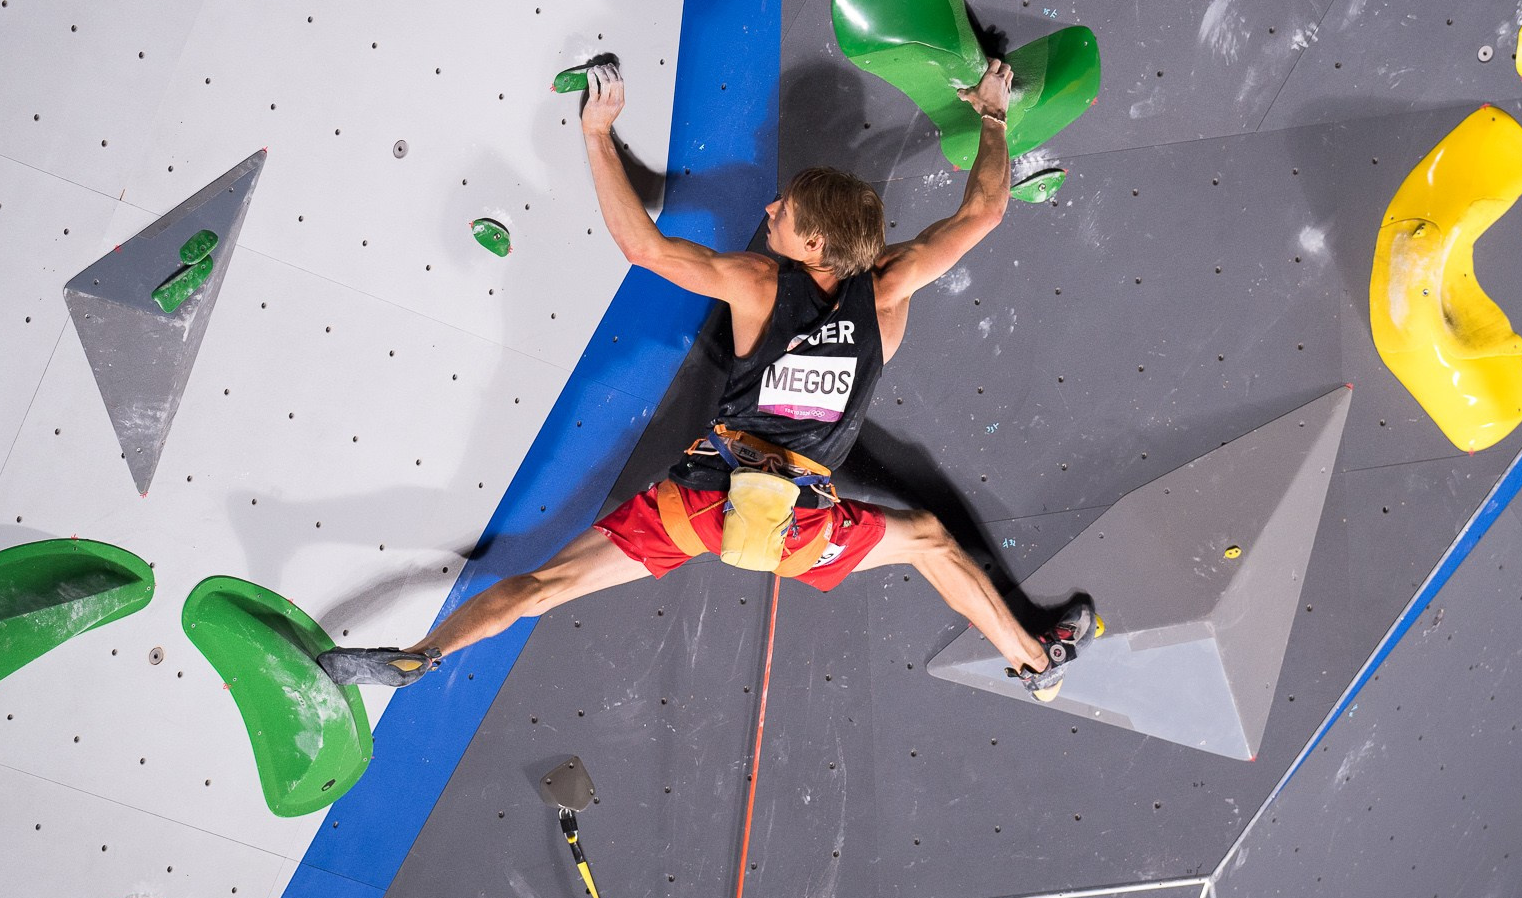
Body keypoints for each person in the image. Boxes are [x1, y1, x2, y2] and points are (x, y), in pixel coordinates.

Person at [318, 59, 1093, 698]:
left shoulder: (760, 282)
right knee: (929, 541)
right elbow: (984, 213)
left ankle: (420, 656)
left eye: (783, 211)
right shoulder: (890, 288)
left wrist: (596, 136)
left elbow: (647, 250)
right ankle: (1034, 663)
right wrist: (993, 116)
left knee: (546, 582)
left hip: (700, 501)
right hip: (793, 530)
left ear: (812, 241)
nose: (769, 208)